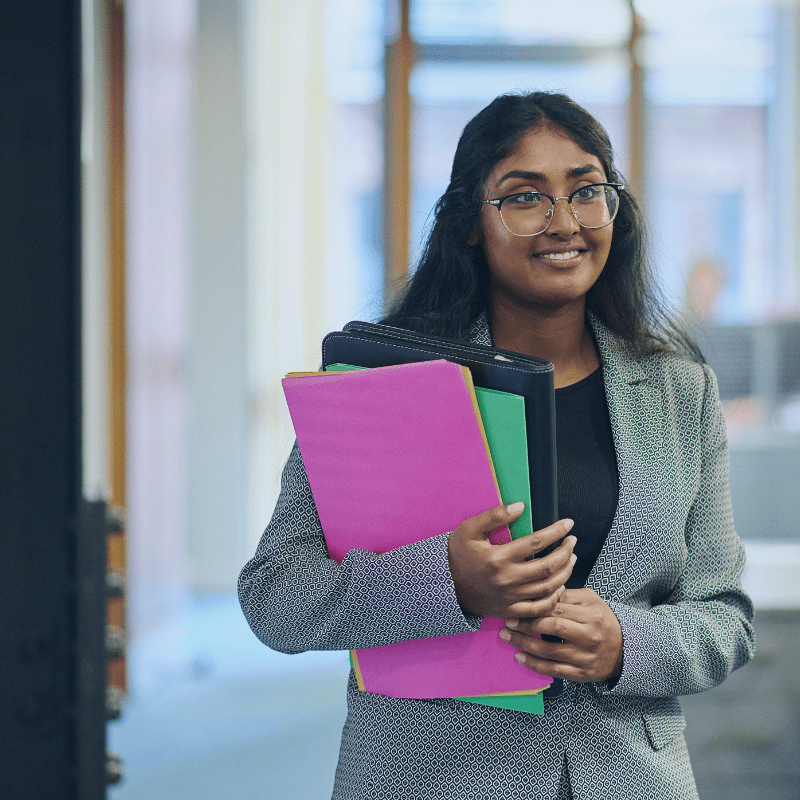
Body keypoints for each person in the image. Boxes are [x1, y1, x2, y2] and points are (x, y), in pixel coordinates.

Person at [238, 91, 755, 799]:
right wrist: (446, 581)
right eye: (524, 197)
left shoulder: (680, 392)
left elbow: (724, 616)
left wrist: (627, 644)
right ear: (470, 224)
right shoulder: (383, 389)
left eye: (586, 191)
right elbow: (275, 597)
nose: (564, 222)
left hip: (629, 777)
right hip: (432, 775)